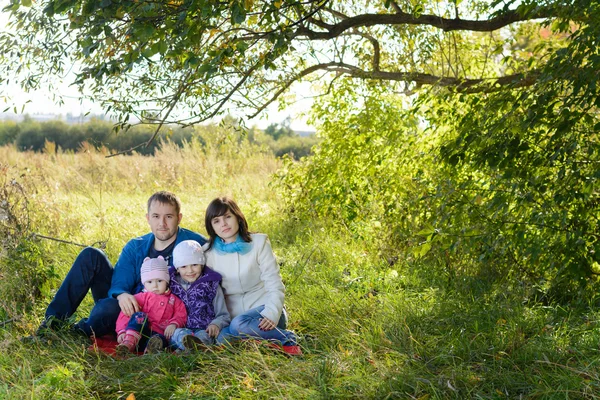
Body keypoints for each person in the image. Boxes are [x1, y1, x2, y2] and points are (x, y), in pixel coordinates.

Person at [32, 191, 206, 339]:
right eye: (156, 216)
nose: (162, 223)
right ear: (148, 219)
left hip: (164, 313)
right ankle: (50, 326)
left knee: (104, 310)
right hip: (131, 305)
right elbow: (119, 280)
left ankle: (80, 330)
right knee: (91, 256)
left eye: (169, 216)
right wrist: (122, 294)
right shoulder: (135, 246)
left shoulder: (194, 244)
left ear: (179, 218)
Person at [203, 196, 301, 355]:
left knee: (238, 326)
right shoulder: (208, 252)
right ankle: (258, 343)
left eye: (228, 217)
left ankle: (288, 339)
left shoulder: (259, 243)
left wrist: (271, 313)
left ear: (237, 217)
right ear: (211, 226)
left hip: (264, 312)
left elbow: (274, 284)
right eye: (217, 221)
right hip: (233, 316)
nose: (224, 224)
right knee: (222, 339)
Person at [115, 256, 187, 354]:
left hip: (157, 334)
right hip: (137, 331)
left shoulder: (174, 300)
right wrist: (122, 331)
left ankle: (151, 350)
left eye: (160, 281)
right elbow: (125, 313)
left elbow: (181, 314)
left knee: (160, 339)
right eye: (150, 282)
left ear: (167, 281)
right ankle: (128, 343)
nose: (155, 285)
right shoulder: (140, 297)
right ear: (144, 283)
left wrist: (174, 324)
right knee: (139, 316)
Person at [168, 240, 231, 351]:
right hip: (180, 328)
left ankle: (190, 349)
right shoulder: (171, 285)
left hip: (204, 328)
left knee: (204, 337)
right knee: (176, 334)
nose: (190, 270)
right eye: (183, 266)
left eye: (195, 265)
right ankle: (189, 348)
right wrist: (171, 324)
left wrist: (216, 324)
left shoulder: (211, 284)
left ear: (202, 264)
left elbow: (223, 315)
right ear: (177, 268)